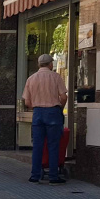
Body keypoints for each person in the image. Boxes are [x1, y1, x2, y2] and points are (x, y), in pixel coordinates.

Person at [23, 54, 68, 185]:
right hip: (53, 111)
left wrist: (37, 107)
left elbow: (27, 102)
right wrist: (59, 108)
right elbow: (64, 97)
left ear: (39, 64)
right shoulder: (56, 77)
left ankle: (35, 175)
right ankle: (53, 176)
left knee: (37, 145)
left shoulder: (31, 79)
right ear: (50, 64)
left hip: (37, 113)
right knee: (53, 145)